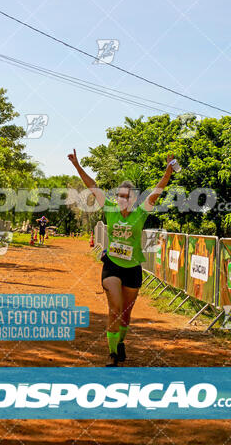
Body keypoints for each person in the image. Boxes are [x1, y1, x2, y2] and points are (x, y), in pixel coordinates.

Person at [68, 148, 176, 366]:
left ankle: (120, 344)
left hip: (133, 268)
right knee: (115, 309)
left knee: (125, 315)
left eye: (126, 197)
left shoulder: (141, 213)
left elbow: (158, 190)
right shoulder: (109, 209)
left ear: (133, 199)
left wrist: (168, 172)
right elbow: (92, 186)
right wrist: (77, 165)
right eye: (119, 196)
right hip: (112, 266)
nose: (121, 200)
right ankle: (112, 355)